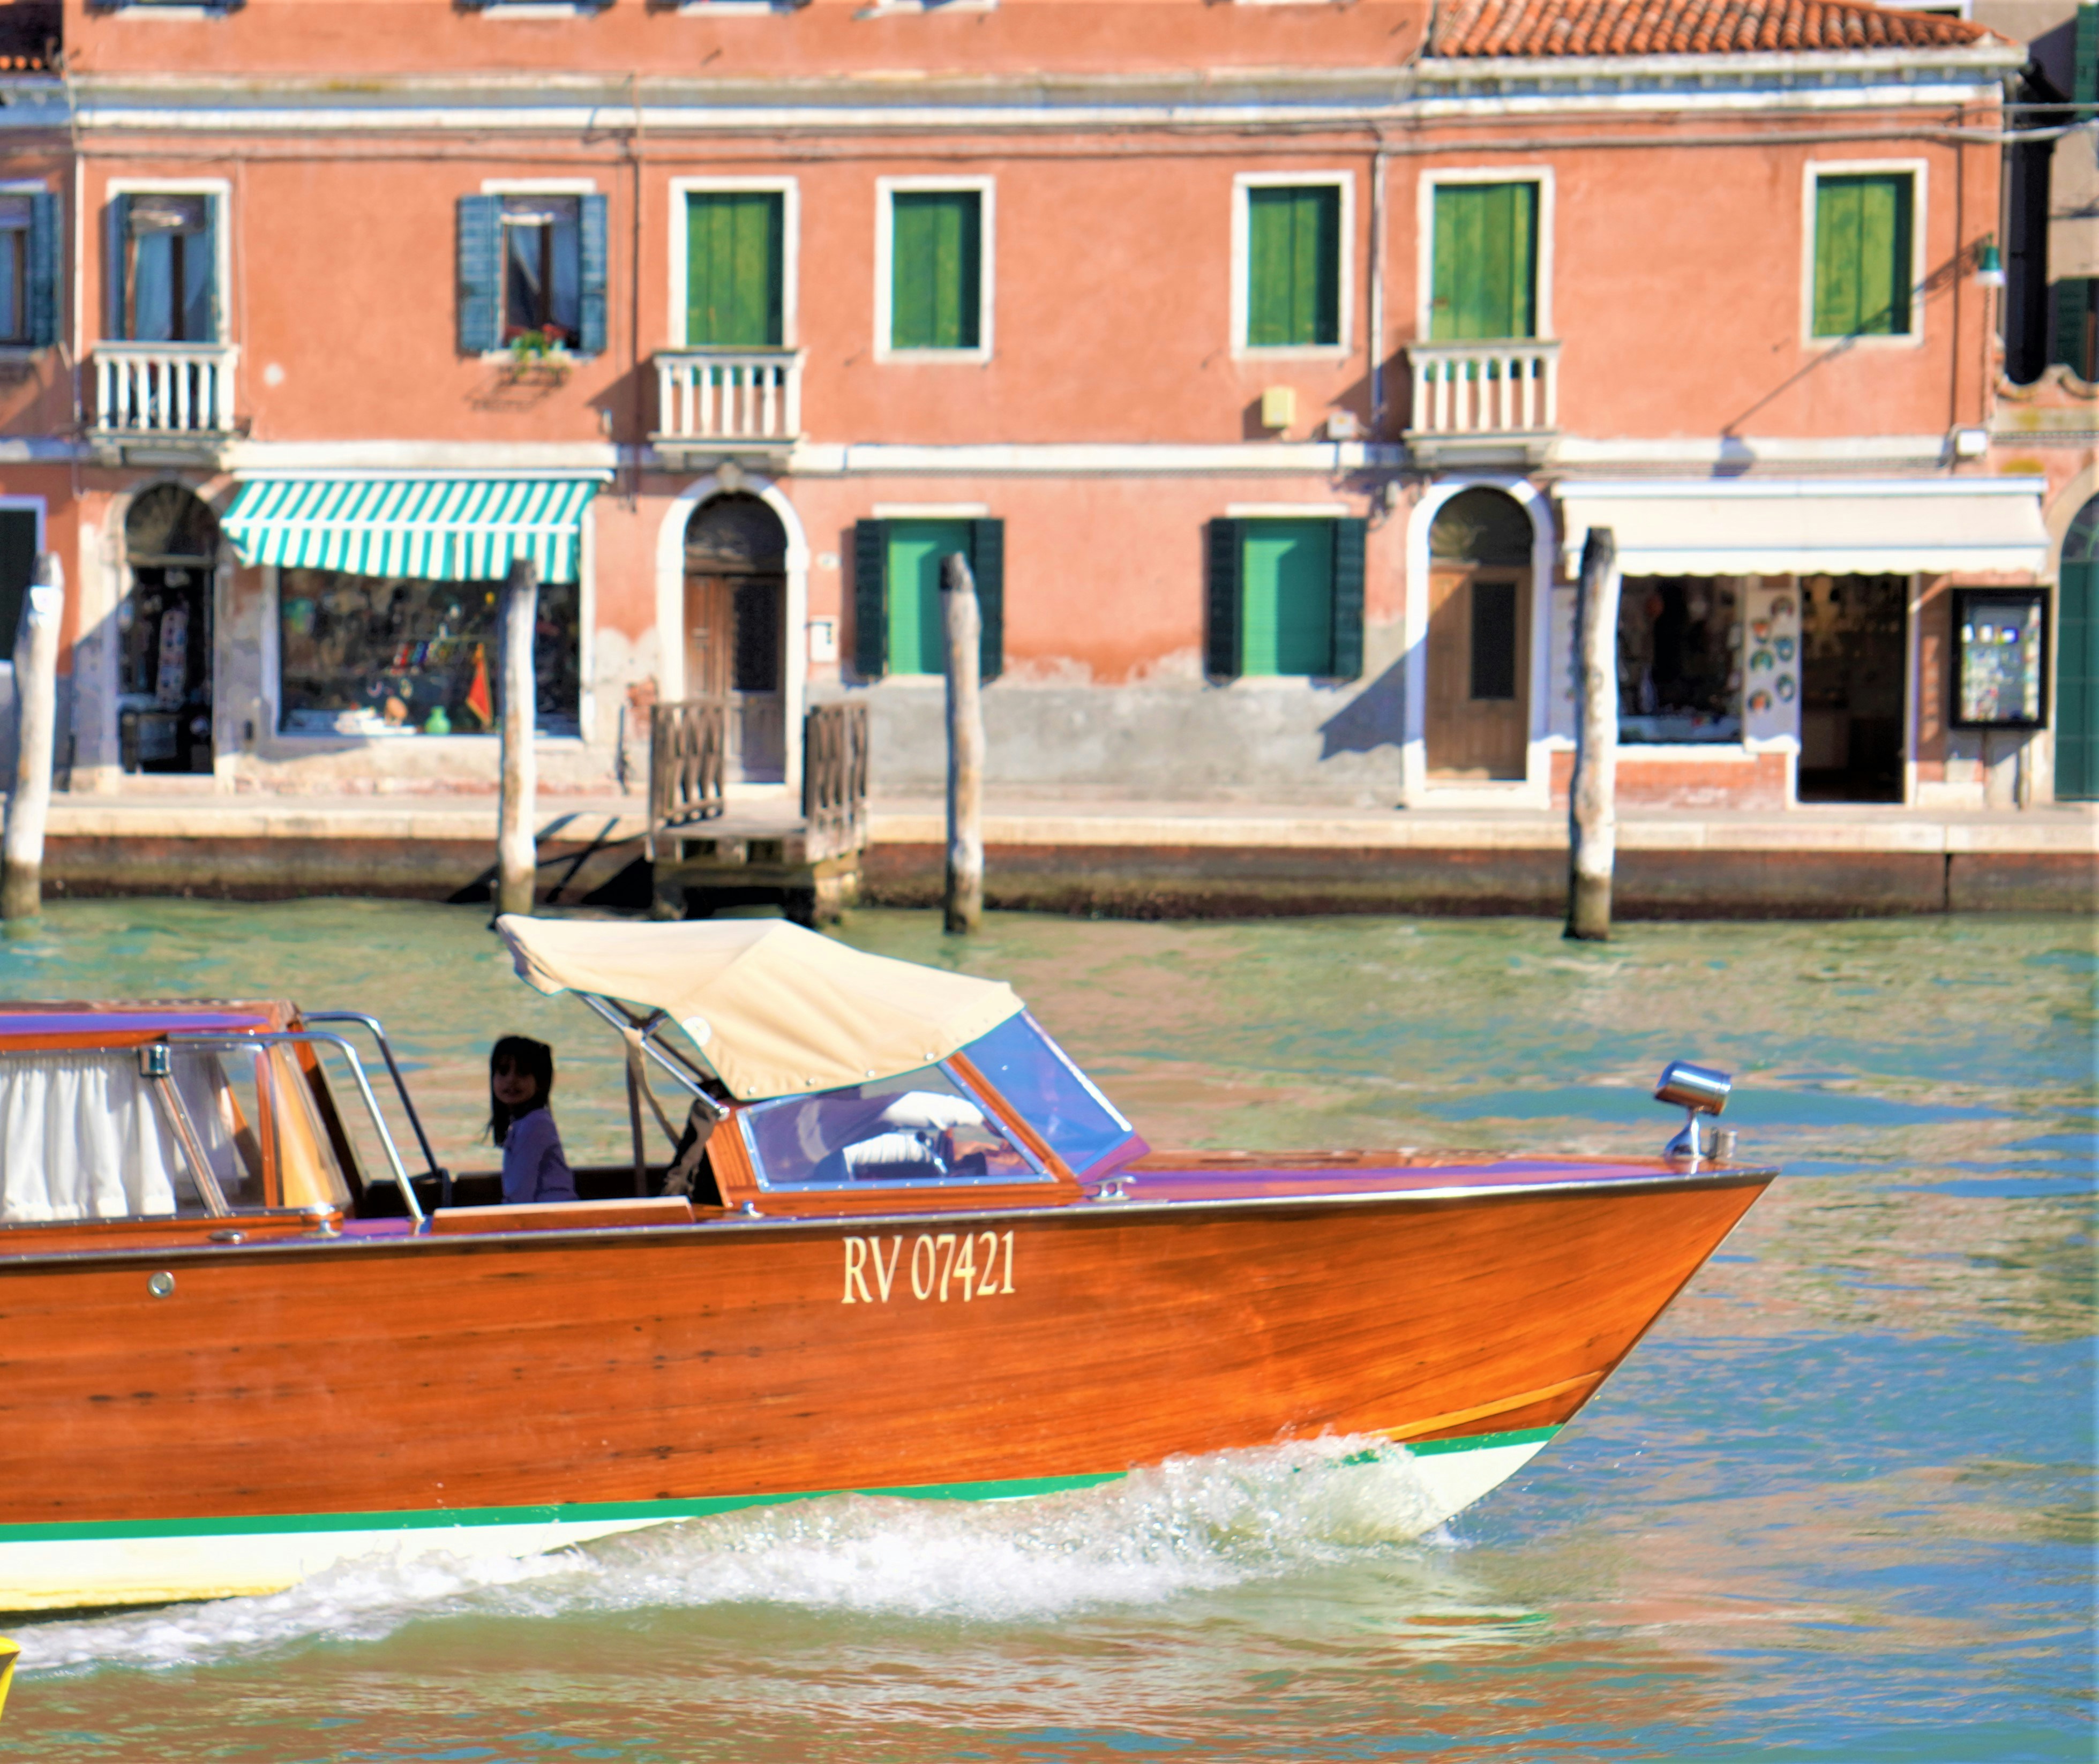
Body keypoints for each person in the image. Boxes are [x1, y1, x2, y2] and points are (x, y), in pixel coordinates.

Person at [490, 1035, 578, 1205]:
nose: (511, 1079)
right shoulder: (523, 1123)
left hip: (553, 1215)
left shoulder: (535, 1124)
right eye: (503, 1071)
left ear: (540, 1082)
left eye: (522, 1073)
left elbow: (519, 1194)